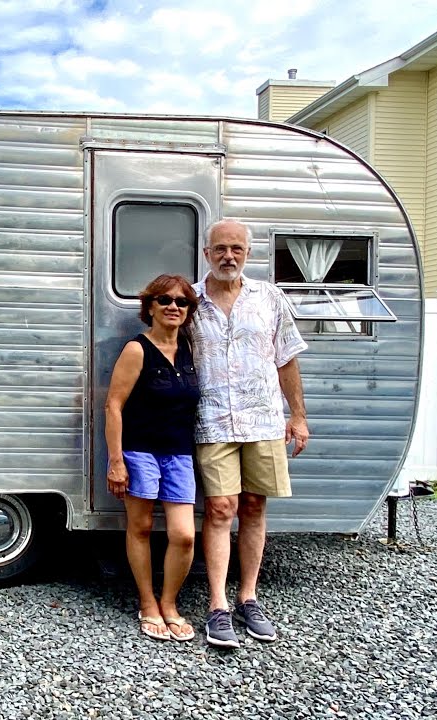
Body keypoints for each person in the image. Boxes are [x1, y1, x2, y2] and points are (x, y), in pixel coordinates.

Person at [190, 219, 309, 649]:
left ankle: (249, 597)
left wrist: (297, 416)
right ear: (207, 254)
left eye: (236, 248)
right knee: (221, 508)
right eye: (220, 248)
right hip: (213, 419)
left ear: (248, 254)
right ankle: (217, 606)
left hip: (263, 418)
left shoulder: (269, 298)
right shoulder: (190, 300)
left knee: (255, 506)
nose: (228, 256)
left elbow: (287, 360)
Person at [104, 274, 202, 642]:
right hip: (139, 451)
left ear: (189, 310)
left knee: (183, 535)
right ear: (150, 307)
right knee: (141, 527)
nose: (173, 306)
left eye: (182, 302)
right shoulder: (137, 349)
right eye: (164, 300)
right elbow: (113, 406)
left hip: (179, 454)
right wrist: (116, 461)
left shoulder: (191, 351)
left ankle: (170, 603)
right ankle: (148, 603)